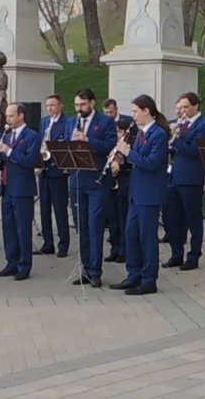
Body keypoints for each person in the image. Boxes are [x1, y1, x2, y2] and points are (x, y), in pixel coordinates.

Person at [110, 95, 171, 296]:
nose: (133, 115)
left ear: (146, 111)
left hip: (150, 194)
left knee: (147, 237)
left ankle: (149, 279)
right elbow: (135, 162)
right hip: (136, 193)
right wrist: (119, 158)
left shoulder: (158, 135)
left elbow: (152, 163)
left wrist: (128, 152)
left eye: (136, 111)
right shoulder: (139, 133)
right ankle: (133, 274)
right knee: (131, 234)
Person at [67, 89, 117, 288]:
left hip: (97, 180)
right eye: (77, 105)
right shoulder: (72, 122)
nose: (79, 109)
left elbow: (110, 145)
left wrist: (88, 141)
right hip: (77, 179)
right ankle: (85, 269)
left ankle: (96, 271)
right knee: (81, 226)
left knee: (94, 225)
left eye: (83, 105)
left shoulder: (105, 122)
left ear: (92, 103)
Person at [164, 92, 205, 272]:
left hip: (191, 178)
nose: (181, 111)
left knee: (193, 218)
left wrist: (174, 139)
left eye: (185, 107)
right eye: (180, 107)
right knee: (173, 218)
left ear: (195, 106)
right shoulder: (178, 124)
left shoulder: (203, 125)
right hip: (173, 176)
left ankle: (193, 256)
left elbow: (194, 151)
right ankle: (176, 254)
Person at [0, 102, 40, 281]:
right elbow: (6, 160)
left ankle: (24, 265)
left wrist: (9, 151)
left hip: (22, 189)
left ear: (21, 116)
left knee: (22, 228)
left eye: (11, 116)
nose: (8, 119)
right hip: (6, 186)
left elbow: (30, 161)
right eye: (7, 116)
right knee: (8, 228)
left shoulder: (32, 136)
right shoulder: (7, 135)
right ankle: (11, 262)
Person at [36, 94, 71, 258]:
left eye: (53, 105)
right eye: (48, 105)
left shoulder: (67, 122)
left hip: (58, 170)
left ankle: (63, 243)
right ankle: (47, 242)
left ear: (60, 106)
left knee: (59, 209)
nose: (50, 108)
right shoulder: (44, 121)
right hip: (44, 169)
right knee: (44, 209)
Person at [102, 98, 132, 263]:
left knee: (123, 219)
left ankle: (124, 250)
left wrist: (120, 162)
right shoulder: (114, 145)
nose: (117, 135)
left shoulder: (128, 146)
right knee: (112, 219)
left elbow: (129, 163)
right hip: (111, 184)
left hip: (124, 183)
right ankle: (114, 248)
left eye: (120, 132)